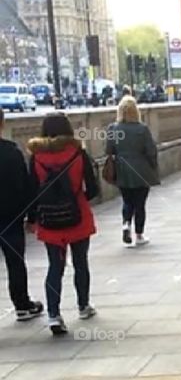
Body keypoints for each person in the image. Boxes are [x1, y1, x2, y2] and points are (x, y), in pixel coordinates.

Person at [28, 112, 100, 337]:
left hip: (49, 221)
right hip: (77, 217)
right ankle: (83, 306)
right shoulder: (78, 153)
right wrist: (77, 200)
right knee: (80, 262)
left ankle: (53, 315)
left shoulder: (36, 157)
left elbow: (32, 192)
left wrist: (32, 219)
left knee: (55, 266)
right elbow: (94, 188)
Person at [0, 108, 43, 323]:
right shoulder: (12, 152)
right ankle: (22, 305)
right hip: (10, 217)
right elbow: (26, 188)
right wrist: (32, 216)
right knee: (15, 262)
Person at [105, 96, 160, 246]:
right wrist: (153, 166)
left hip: (122, 169)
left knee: (127, 200)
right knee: (140, 203)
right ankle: (139, 235)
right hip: (141, 169)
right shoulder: (142, 129)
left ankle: (126, 224)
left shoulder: (113, 129)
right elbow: (151, 151)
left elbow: (109, 150)